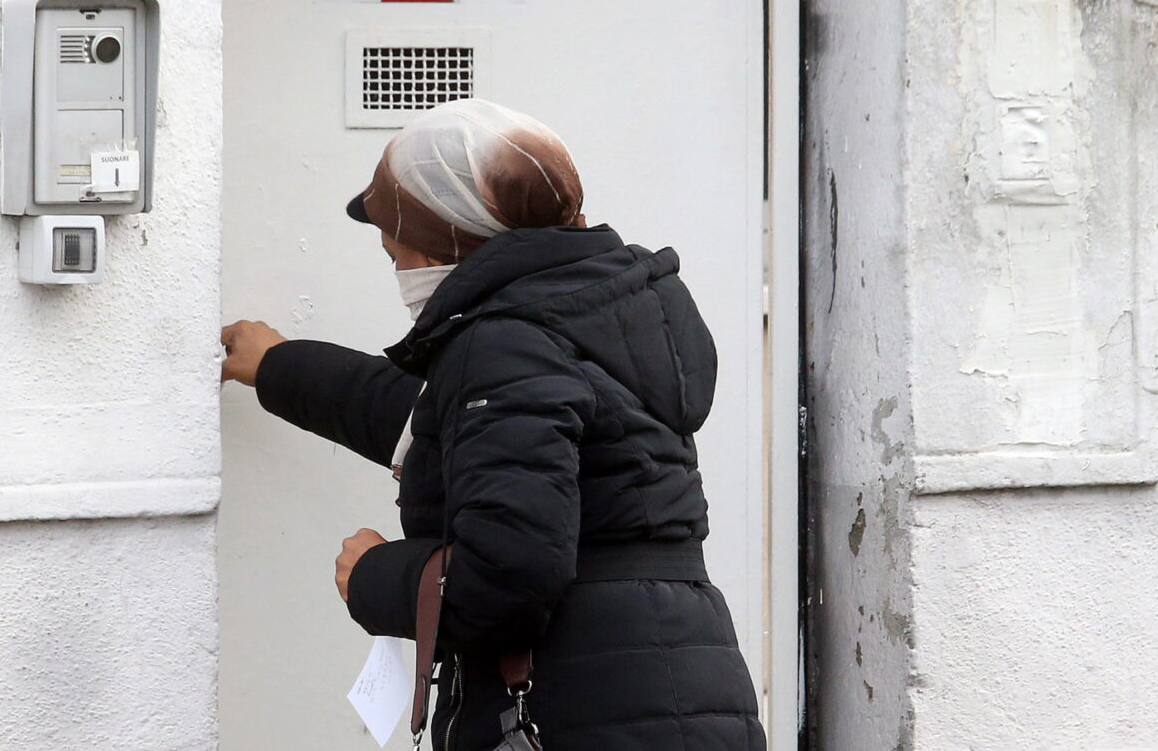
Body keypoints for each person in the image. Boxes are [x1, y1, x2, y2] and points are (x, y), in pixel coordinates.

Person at [220, 98, 764, 750]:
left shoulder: (505, 344)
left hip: (583, 713)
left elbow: (505, 578)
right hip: (672, 683)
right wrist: (277, 364)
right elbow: (434, 422)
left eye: (397, 250)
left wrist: (374, 576)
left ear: (444, 241)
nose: (397, 265)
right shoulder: (590, 314)